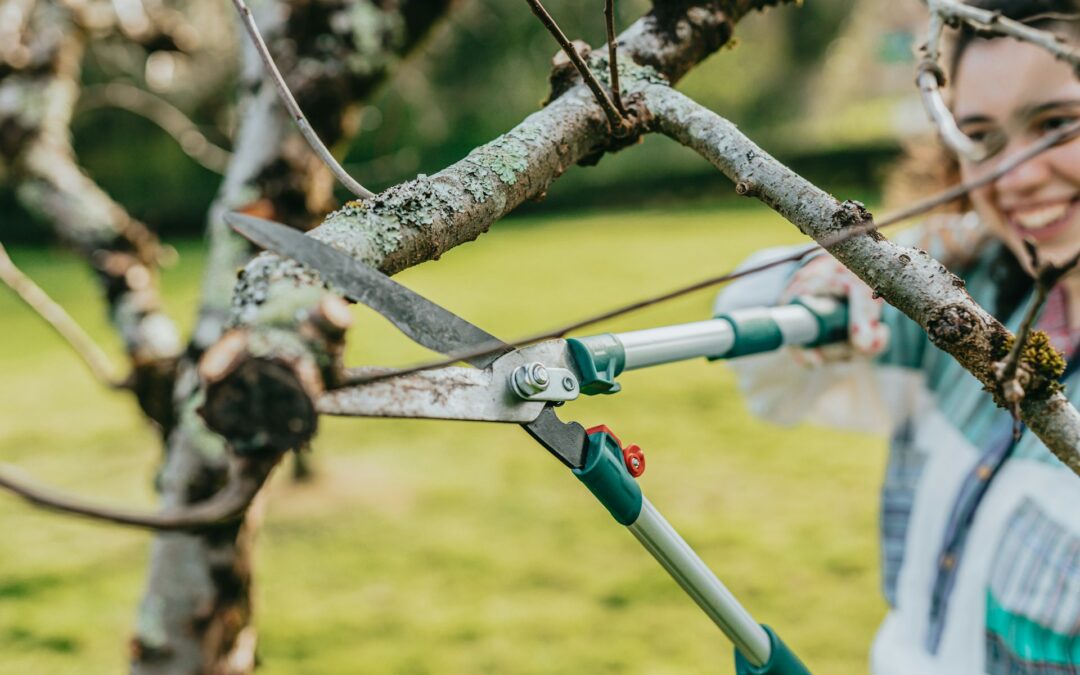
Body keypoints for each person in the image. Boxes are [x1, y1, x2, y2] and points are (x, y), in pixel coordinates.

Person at [715, 1, 1080, 673]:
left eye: (1057, 124)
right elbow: (753, 338)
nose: (1017, 177)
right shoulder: (971, 306)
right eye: (982, 139)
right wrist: (859, 269)